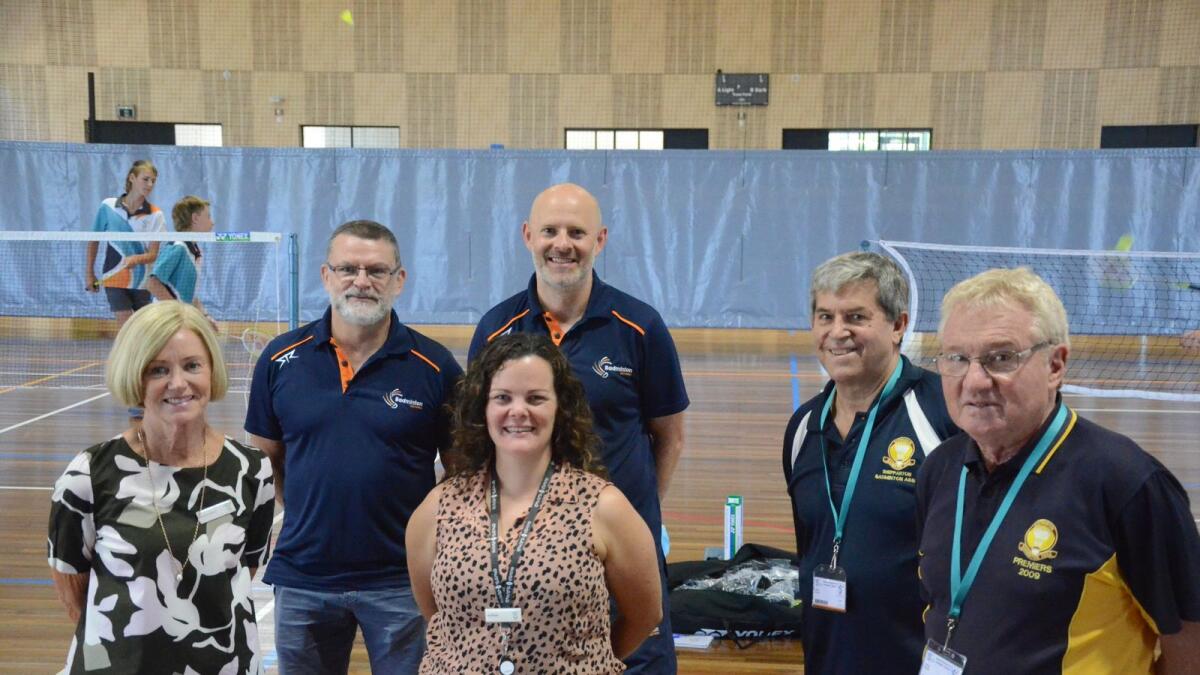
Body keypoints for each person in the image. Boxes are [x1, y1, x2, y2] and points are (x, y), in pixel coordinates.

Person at [916, 267, 1200, 674]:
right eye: (957, 358)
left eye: (1001, 358)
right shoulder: (939, 469)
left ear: (1055, 364)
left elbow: (1189, 636)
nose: (975, 381)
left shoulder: (1127, 483)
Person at [469, 183, 688, 673]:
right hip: (528, 559)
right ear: (528, 235)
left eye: (576, 232)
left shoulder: (641, 327)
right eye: (549, 230)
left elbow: (669, 435)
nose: (562, 244)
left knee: (635, 658)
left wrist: (634, 517)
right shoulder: (496, 329)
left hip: (621, 553)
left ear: (600, 240)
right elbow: (482, 438)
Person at [245, 219, 462, 674]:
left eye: (377, 270)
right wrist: (312, 516)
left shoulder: (435, 366)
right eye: (348, 268)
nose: (361, 281)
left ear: (398, 281)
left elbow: (460, 475)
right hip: (304, 575)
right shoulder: (281, 360)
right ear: (326, 276)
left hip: (402, 581)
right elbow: (267, 461)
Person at [408, 333, 662, 673]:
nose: (518, 411)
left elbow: (645, 614)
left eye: (535, 398)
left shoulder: (604, 507)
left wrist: (585, 660)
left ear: (561, 408)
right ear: (482, 408)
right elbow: (435, 612)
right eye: (502, 398)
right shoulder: (438, 508)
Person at [47, 300, 275, 674]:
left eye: (192, 366)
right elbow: (72, 586)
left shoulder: (251, 470)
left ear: (212, 370)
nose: (179, 383)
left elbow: (245, 568)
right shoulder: (89, 475)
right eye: (158, 370)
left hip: (225, 662)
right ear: (135, 377)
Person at [781, 251, 957, 674]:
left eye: (856, 317)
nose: (837, 333)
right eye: (825, 317)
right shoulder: (804, 426)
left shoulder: (943, 414)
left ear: (898, 325)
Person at [84, 159, 165, 330]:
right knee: (126, 326)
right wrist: (89, 273)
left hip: (142, 280)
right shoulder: (108, 207)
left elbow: (153, 254)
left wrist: (135, 259)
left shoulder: (156, 215)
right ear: (132, 178)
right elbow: (93, 240)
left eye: (153, 181)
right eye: (145, 179)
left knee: (142, 330)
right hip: (114, 277)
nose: (150, 184)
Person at [147, 195, 216, 328]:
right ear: (195, 218)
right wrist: (177, 311)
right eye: (208, 216)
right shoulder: (178, 247)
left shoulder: (195, 252)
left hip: (179, 321)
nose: (212, 222)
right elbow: (152, 283)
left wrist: (206, 316)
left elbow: (189, 295)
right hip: (164, 321)